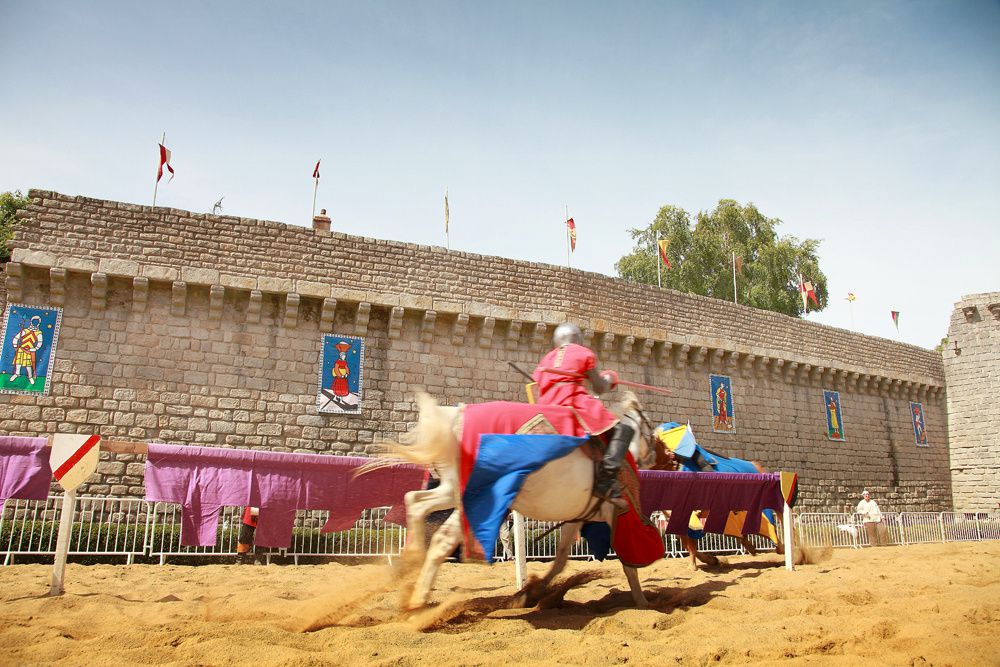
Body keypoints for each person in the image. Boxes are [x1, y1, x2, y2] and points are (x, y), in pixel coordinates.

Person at [532, 322, 636, 507]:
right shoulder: (583, 353)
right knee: (624, 430)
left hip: (546, 407)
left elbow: (537, 385)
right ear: (578, 339)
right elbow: (599, 387)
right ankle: (605, 482)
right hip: (573, 402)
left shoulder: (546, 360)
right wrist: (610, 378)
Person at [8, 315, 44, 385]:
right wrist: (15, 346)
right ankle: (16, 374)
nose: (34, 323)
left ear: (38, 323)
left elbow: (40, 342)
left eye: (36, 322)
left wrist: (34, 349)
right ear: (31, 322)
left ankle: (30, 377)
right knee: (18, 363)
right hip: (21, 349)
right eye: (34, 322)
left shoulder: (38, 333)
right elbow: (16, 338)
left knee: (28, 365)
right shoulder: (25, 331)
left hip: (29, 351)